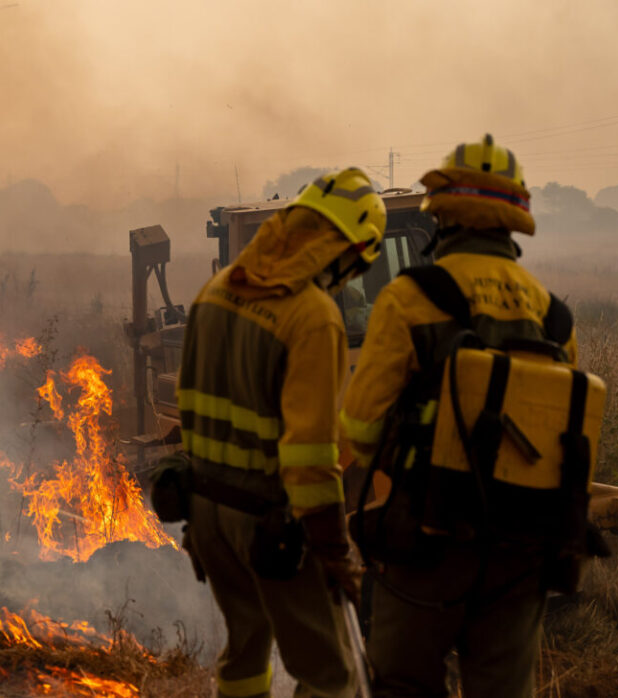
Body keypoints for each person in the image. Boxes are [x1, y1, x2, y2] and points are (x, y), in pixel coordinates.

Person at [340, 135, 591, 697]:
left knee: (402, 683)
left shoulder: (409, 298)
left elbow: (360, 425)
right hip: (522, 548)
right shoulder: (554, 318)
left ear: (443, 215)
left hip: (428, 540)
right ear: (513, 220)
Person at [178, 168, 385, 698]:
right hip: (272, 523)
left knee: (244, 654)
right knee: (329, 674)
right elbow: (311, 457)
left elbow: (189, 411)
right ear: (345, 250)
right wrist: (335, 550)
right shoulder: (313, 316)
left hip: (207, 512)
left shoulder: (216, 292)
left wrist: (200, 518)